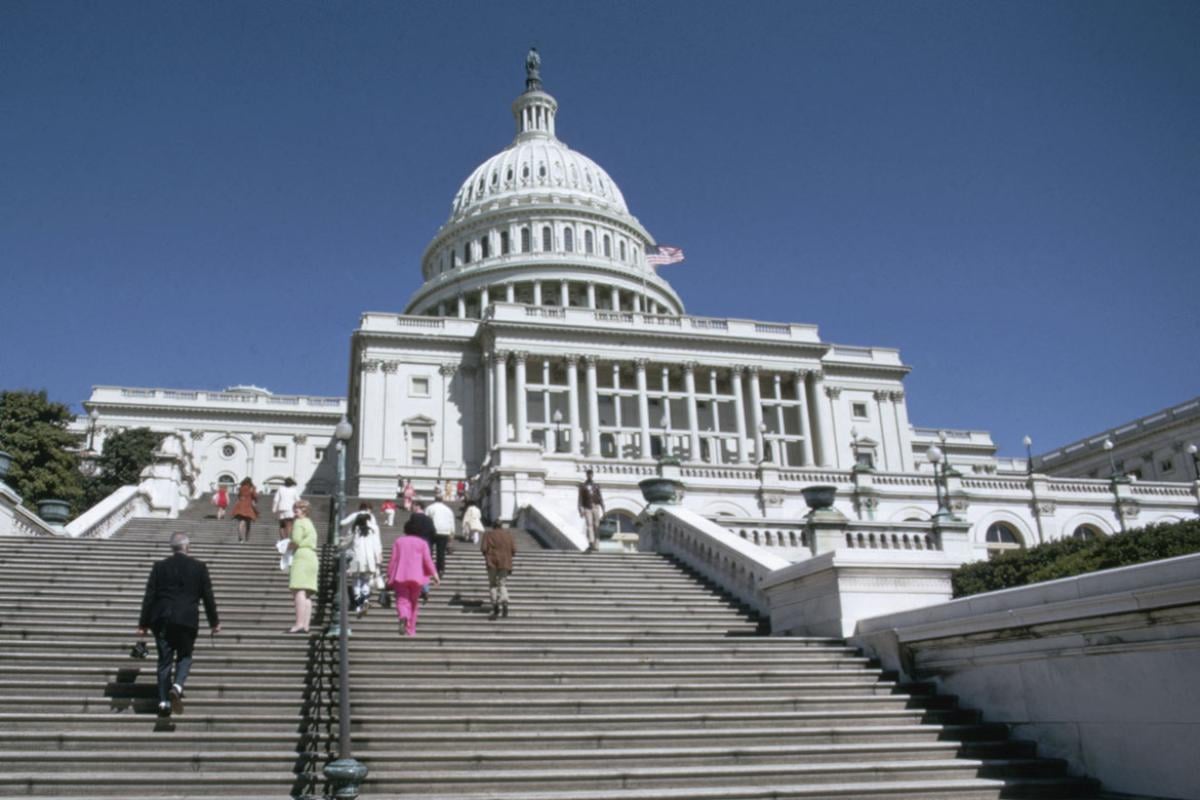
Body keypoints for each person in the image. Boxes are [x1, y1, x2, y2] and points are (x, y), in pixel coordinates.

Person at [137, 531, 221, 716]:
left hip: (162, 619)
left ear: (172, 547)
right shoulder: (199, 567)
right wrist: (214, 622)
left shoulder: (159, 567)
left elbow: (149, 597)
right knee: (185, 656)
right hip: (187, 619)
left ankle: (164, 703)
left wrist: (143, 624)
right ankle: (177, 686)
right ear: (187, 547)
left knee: (164, 661)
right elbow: (208, 597)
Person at [385, 521, 439, 636]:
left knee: (402, 600)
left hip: (401, 575)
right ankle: (411, 629)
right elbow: (427, 560)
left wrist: (389, 574)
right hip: (417, 577)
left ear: (406, 529)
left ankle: (403, 617)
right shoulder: (422, 543)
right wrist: (435, 574)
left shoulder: (399, 541)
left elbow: (393, 560)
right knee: (414, 603)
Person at [341, 502, 382, 617]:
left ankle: (358, 605)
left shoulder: (355, 529)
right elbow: (377, 544)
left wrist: (340, 544)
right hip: (369, 559)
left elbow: (346, 542)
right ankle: (365, 601)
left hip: (356, 559)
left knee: (356, 581)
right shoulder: (374, 529)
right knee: (366, 581)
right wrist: (379, 557)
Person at [286, 499, 318, 633]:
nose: (294, 511)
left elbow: (296, 540)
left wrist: (287, 546)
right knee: (307, 594)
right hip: (312, 556)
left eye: (297, 509)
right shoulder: (310, 523)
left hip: (302, 556)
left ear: (303, 510)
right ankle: (305, 625)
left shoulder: (299, 522)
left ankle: (299, 623)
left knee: (298, 590)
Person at [480, 518, 516, 620]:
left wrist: (488, 555)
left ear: (493, 526)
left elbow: (483, 549)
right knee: (502, 584)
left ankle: (495, 605)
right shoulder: (508, 535)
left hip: (492, 562)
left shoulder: (488, 535)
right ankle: (504, 602)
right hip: (505, 563)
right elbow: (514, 550)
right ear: (501, 526)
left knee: (492, 584)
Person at [404, 501, 437, 604]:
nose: (412, 507)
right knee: (425, 569)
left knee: (413, 567)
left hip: (414, 546)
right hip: (426, 545)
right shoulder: (429, 519)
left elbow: (408, 530)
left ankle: (415, 588)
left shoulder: (413, 518)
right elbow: (433, 532)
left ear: (418, 506)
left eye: (413, 505)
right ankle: (425, 589)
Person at [426, 493, 455, 576]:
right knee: (441, 552)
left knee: (429, 551)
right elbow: (451, 523)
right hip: (444, 532)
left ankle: (429, 568)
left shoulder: (430, 508)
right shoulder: (448, 509)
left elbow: (426, 519)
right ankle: (440, 569)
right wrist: (451, 535)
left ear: (435, 499)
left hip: (432, 531)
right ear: (442, 500)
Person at [577, 468, 605, 552]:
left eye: (591, 474)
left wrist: (603, 508)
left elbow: (600, 497)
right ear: (586, 475)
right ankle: (591, 542)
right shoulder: (583, 486)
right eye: (588, 474)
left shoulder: (596, 486)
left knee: (596, 525)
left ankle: (597, 544)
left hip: (595, 506)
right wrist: (580, 509)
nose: (589, 475)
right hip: (587, 507)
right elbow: (580, 499)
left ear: (592, 475)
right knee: (589, 525)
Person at [231, 478, 258, 543]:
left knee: (241, 522)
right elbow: (255, 496)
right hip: (248, 506)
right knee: (248, 523)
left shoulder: (241, 488)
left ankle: (240, 537)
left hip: (240, 505)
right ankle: (247, 538)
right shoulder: (251, 488)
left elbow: (239, 496)